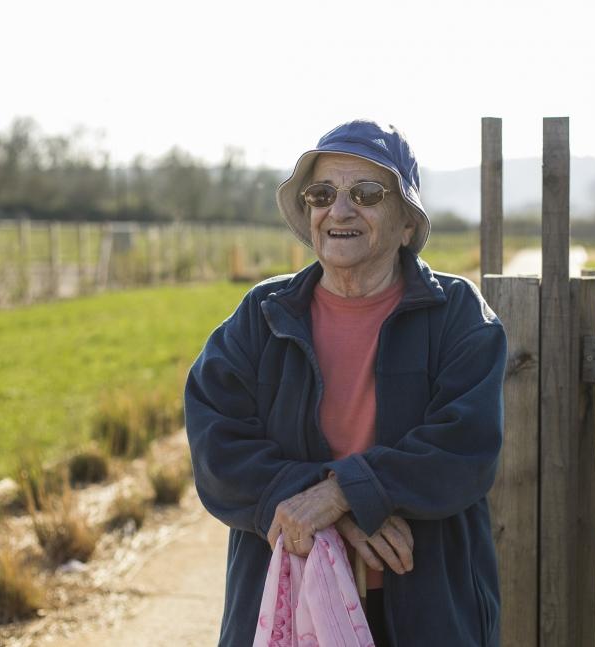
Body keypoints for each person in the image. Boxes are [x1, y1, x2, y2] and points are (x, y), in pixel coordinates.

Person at [185, 120, 506, 646]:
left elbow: (464, 447)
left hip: (424, 609)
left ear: (406, 223)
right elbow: (215, 444)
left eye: (367, 193)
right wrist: (336, 510)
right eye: (323, 193)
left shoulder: (458, 315)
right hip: (287, 602)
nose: (340, 209)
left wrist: (342, 495)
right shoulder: (262, 314)